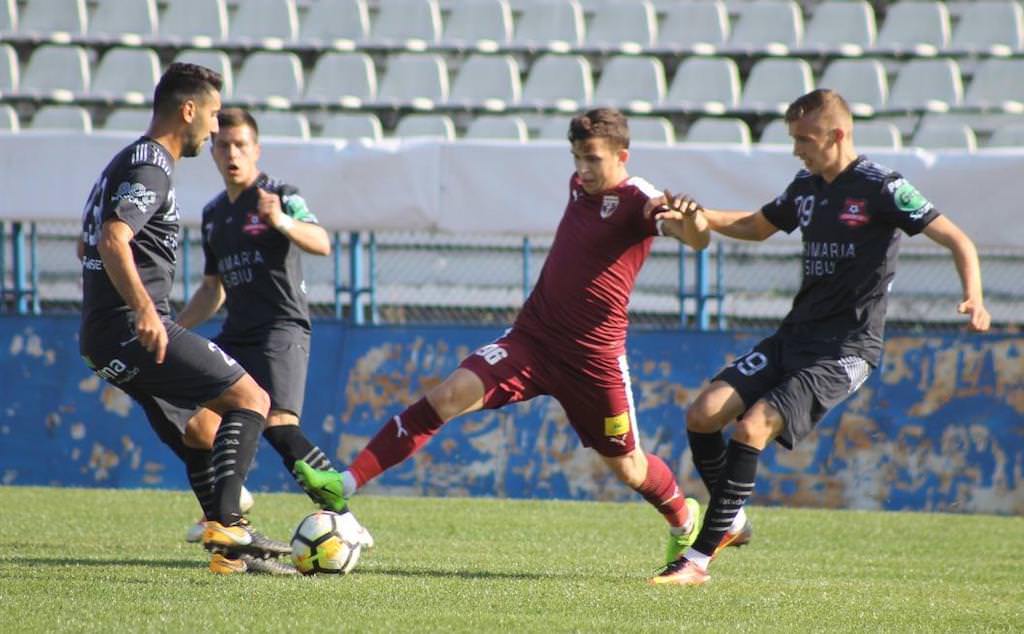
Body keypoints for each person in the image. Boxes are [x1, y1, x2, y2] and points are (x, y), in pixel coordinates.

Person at [294, 108, 712, 569]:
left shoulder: (640, 199)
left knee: (629, 467)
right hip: (533, 339)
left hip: (594, 361)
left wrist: (691, 222)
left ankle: (682, 519)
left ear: (622, 155)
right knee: (448, 395)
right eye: (576, 157)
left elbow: (691, 237)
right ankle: (345, 483)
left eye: (592, 158)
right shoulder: (580, 186)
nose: (583, 169)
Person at [652, 89, 991, 586]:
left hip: (845, 350)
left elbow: (957, 238)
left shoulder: (884, 187)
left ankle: (698, 561)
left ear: (837, 134)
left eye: (804, 139)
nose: (797, 150)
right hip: (794, 336)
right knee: (702, 415)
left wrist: (974, 297)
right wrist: (700, 216)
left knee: (752, 428)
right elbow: (757, 225)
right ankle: (734, 521)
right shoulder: (806, 187)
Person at [78, 64, 291, 575]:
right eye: (214, 115)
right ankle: (232, 528)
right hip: (133, 326)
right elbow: (112, 238)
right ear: (188, 110)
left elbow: (91, 241)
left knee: (201, 429)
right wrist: (147, 310)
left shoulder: (130, 162)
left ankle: (228, 551)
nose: (216, 129)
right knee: (252, 399)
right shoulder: (150, 163)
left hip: (104, 334)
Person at [175, 108, 364, 546]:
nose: (231, 153)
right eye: (223, 145)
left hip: (281, 329)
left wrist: (279, 220)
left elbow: (322, 242)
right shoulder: (213, 214)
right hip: (237, 334)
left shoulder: (282, 195)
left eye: (241, 145)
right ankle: (217, 518)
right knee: (199, 428)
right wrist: (174, 328)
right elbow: (212, 289)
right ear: (213, 152)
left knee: (279, 426)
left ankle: (344, 516)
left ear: (256, 150)